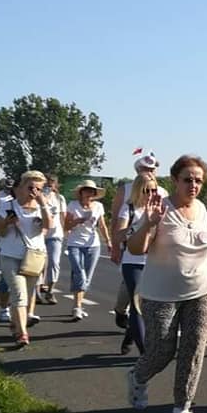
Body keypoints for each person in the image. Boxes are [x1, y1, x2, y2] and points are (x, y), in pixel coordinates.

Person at [125, 155, 207, 413]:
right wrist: (149, 223)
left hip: (203, 290)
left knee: (194, 350)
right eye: (187, 179)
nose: (193, 185)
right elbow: (135, 248)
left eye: (198, 181)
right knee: (161, 350)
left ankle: (182, 408)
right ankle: (138, 377)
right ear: (174, 180)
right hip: (160, 293)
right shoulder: (158, 208)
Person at [0, 171, 52, 347]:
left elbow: (48, 226)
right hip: (10, 255)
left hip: (34, 256)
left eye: (39, 189)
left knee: (27, 294)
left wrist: (42, 204)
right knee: (19, 294)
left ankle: (15, 324)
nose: (34, 191)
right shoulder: (7, 205)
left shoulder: (43, 206)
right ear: (21, 187)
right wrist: (7, 222)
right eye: (31, 187)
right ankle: (22, 334)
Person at [110, 151, 162, 329]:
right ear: (137, 170)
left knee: (145, 297)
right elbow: (116, 220)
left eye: (152, 169)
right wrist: (115, 246)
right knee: (132, 288)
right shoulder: (125, 190)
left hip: (154, 253)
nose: (149, 172)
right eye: (145, 168)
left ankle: (133, 330)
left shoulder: (162, 192)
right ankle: (121, 310)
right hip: (131, 251)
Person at [114, 171, 158, 355]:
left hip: (154, 262)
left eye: (154, 190)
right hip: (133, 262)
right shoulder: (129, 209)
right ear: (138, 190)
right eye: (146, 191)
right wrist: (140, 226)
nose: (150, 195)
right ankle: (145, 353)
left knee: (149, 306)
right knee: (137, 303)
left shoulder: (160, 208)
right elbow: (118, 236)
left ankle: (130, 335)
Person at [64, 180, 112, 321]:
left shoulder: (98, 206)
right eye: (86, 190)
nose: (89, 193)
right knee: (79, 273)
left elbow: (102, 225)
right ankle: (77, 306)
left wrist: (108, 241)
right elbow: (66, 226)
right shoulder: (73, 205)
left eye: (92, 191)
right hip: (75, 243)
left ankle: (77, 306)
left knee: (87, 276)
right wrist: (77, 221)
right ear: (81, 192)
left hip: (93, 244)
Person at [38, 174, 66, 304]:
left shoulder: (59, 198)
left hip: (55, 234)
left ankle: (50, 290)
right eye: (47, 183)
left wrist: (65, 231)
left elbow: (63, 216)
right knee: (39, 263)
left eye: (52, 182)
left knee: (54, 262)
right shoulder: (38, 197)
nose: (49, 185)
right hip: (39, 234)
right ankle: (37, 290)